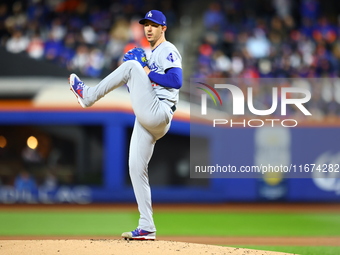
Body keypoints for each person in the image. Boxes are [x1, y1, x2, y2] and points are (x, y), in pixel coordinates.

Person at [69, 10, 182, 240]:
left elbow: (176, 80)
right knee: (135, 168)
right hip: (149, 116)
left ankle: (88, 96)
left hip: (159, 111)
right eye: (146, 25)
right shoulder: (151, 54)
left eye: (154, 25)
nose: (149, 28)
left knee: (132, 67)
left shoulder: (167, 49)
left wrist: (145, 71)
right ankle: (147, 227)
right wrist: (142, 75)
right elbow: (141, 90)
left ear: (164, 28)